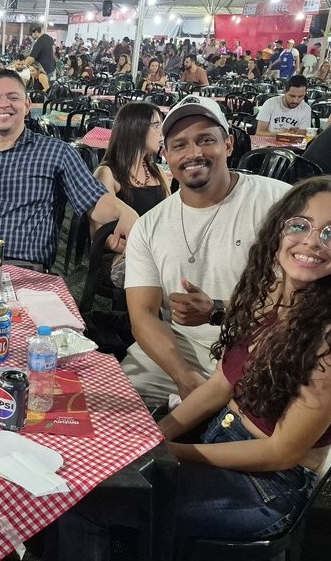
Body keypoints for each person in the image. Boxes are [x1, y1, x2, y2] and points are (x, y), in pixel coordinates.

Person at [22, 176, 331, 561]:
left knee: (89, 502)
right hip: (225, 440)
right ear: (279, 230)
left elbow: (280, 453)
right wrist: (158, 434)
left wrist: (167, 454)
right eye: (300, 225)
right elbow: (220, 385)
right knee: (87, 469)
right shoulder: (276, 294)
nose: (312, 242)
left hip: (268, 487)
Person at [120, 95, 289, 408]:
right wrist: (183, 376)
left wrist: (218, 309)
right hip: (180, 350)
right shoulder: (149, 226)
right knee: (116, 404)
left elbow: (305, 300)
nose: (194, 153)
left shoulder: (278, 202)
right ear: (165, 155)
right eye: (180, 145)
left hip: (263, 348)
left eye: (205, 140)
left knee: (257, 420)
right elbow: (143, 315)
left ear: (228, 145)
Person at [0, 69, 140, 270]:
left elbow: (94, 200)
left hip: (25, 271)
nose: (3, 104)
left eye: (13, 97)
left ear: (27, 105)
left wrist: (126, 212)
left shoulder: (57, 153)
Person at [93, 102, 170, 219]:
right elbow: (100, 228)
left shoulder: (158, 172)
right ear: (137, 128)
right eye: (156, 125)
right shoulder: (107, 174)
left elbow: (171, 217)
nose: (161, 132)